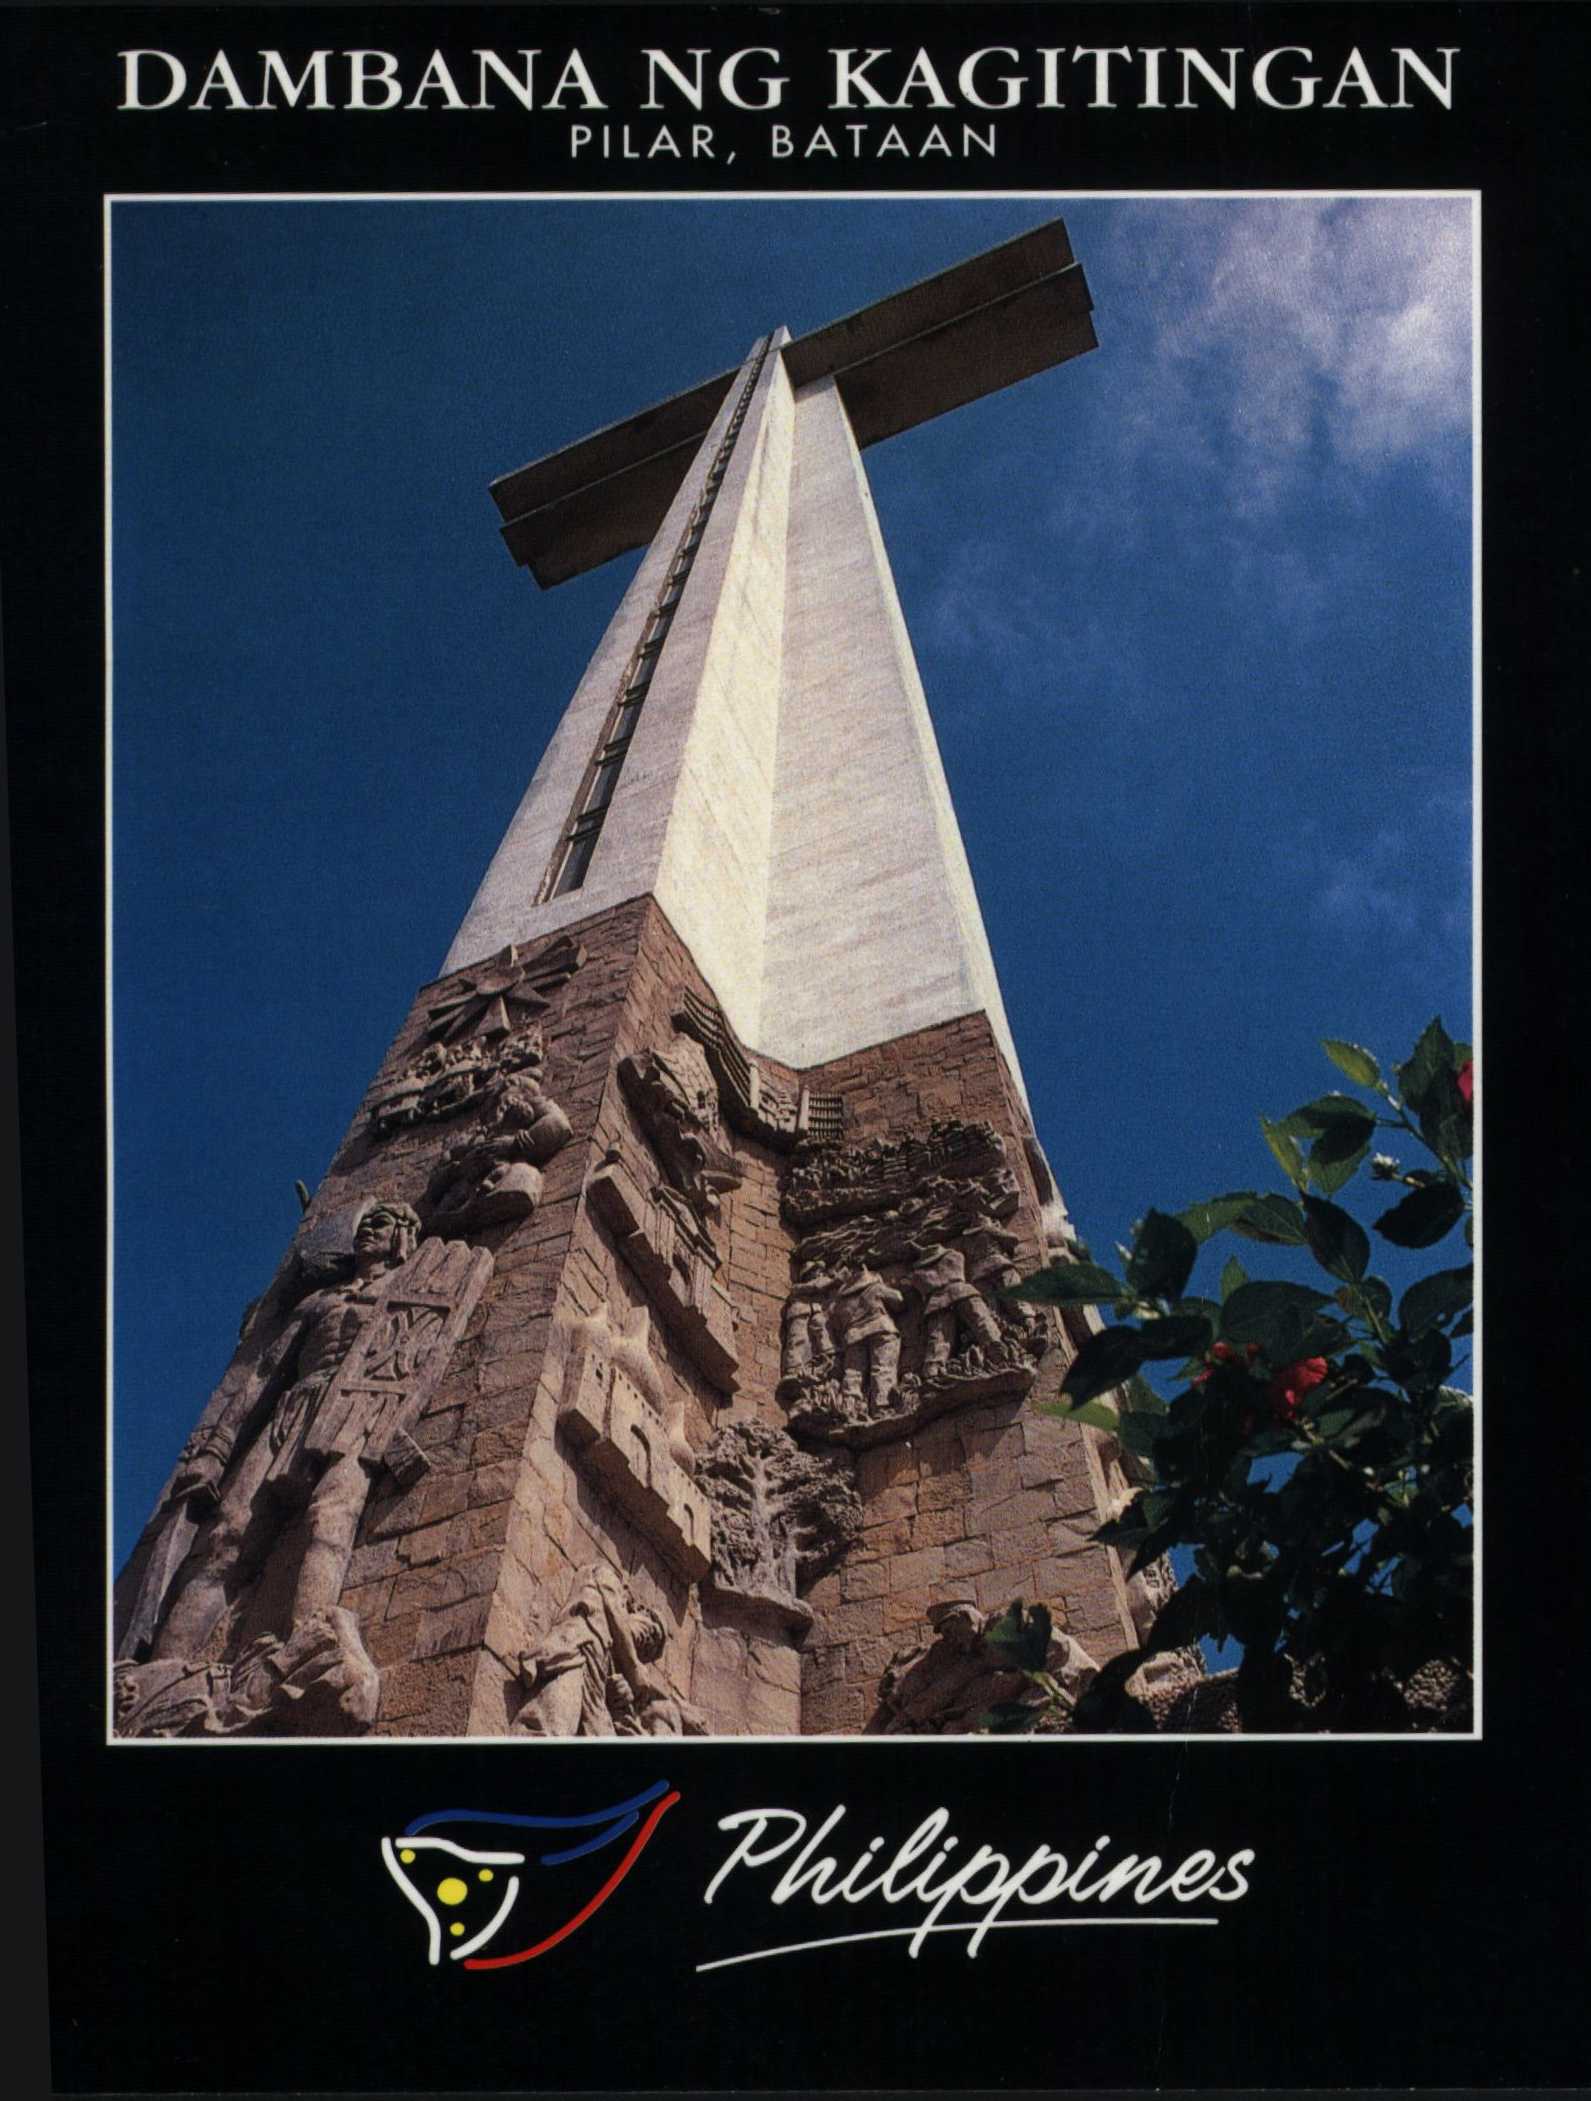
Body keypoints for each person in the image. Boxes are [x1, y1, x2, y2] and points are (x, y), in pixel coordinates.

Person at [148, 1200, 424, 1664]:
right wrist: (216, 1450)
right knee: (227, 1537)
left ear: (401, 1235)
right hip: (293, 1410)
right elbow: (264, 1374)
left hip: (359, 1413)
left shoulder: (414, 1288)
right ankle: (162, 1672)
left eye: (378, 1224)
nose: (366, 1232)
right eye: (364, 1225)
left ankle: (306, 1651)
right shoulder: (320, 1301)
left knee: (329, 1520)